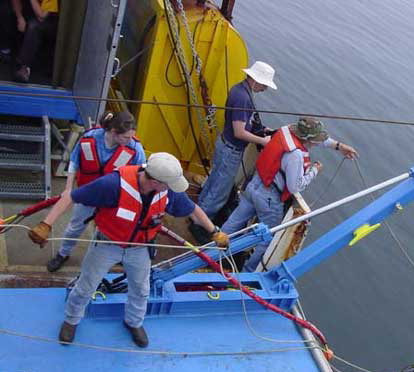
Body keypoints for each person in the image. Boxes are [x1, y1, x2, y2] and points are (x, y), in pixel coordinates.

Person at [28, 152, 229, 347]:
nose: (172, 189)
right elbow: (71, 196)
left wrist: (214, 231)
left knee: (141, 290)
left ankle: (134, 322)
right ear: (155, 182)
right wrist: (46, 224)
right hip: (106, 244)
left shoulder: (167, 192)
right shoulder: (112, 185)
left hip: (139, 248)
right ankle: (71, 320)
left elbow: (192, 209)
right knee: (86, 287)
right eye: (168, 185)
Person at [222, 117, 358, 272]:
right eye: (315, 140)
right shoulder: (295, 155)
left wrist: (339, 146)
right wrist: (314, 171)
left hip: (255, 183)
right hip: (269, 197)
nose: (317, 143)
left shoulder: (286, 130)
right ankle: (248, 273)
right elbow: (295, 187)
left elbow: (318, 140)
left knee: (235, 221)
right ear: (308, 139)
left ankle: (213, 251)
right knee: (268, 238)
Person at [47, 111, 146, 273]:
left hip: (114, 198)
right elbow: (74, 160)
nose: (130, 141)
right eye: (126, 137)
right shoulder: (90, 138)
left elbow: (142, 172)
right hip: (88, 193)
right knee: (75, 226)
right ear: (114, 132)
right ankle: (62, 254)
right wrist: (68, 188)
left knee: (109, 231)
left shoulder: (135, 149)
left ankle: (112, 257)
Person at [193, 61, 277, 234]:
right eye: (265, 85)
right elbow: (239, 132)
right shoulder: (243, 98)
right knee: (219, 192)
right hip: (231, 149)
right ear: (257, 80)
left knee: (213, 183)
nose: (265, 89)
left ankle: (196, 213)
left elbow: (243, 124)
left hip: (224, 144)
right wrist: (263, 141)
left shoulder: (240, 90)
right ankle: (200, 225)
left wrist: (261, 130)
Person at [12, 0, 58, 82]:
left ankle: (24, 68)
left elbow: (42, 17)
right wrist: (20, 18)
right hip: (28, 14)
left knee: (34, 27)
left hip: (47, 22)